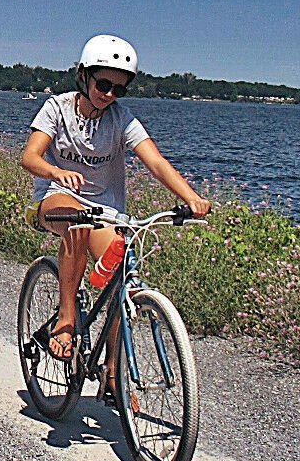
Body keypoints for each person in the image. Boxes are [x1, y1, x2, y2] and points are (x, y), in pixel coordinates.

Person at [19, 34, 210, 363]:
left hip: (105, 210)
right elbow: (30, 157)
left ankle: (114, 373)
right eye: (103, 84)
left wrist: (192, 197)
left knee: (123, 276)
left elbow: (156, 162)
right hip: (56, 198)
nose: (109, 95)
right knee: (77, 223)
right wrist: (55, 173)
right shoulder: (57, 108)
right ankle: (65, 320)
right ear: (84, 75)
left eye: (118, 89)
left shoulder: (121, 118)